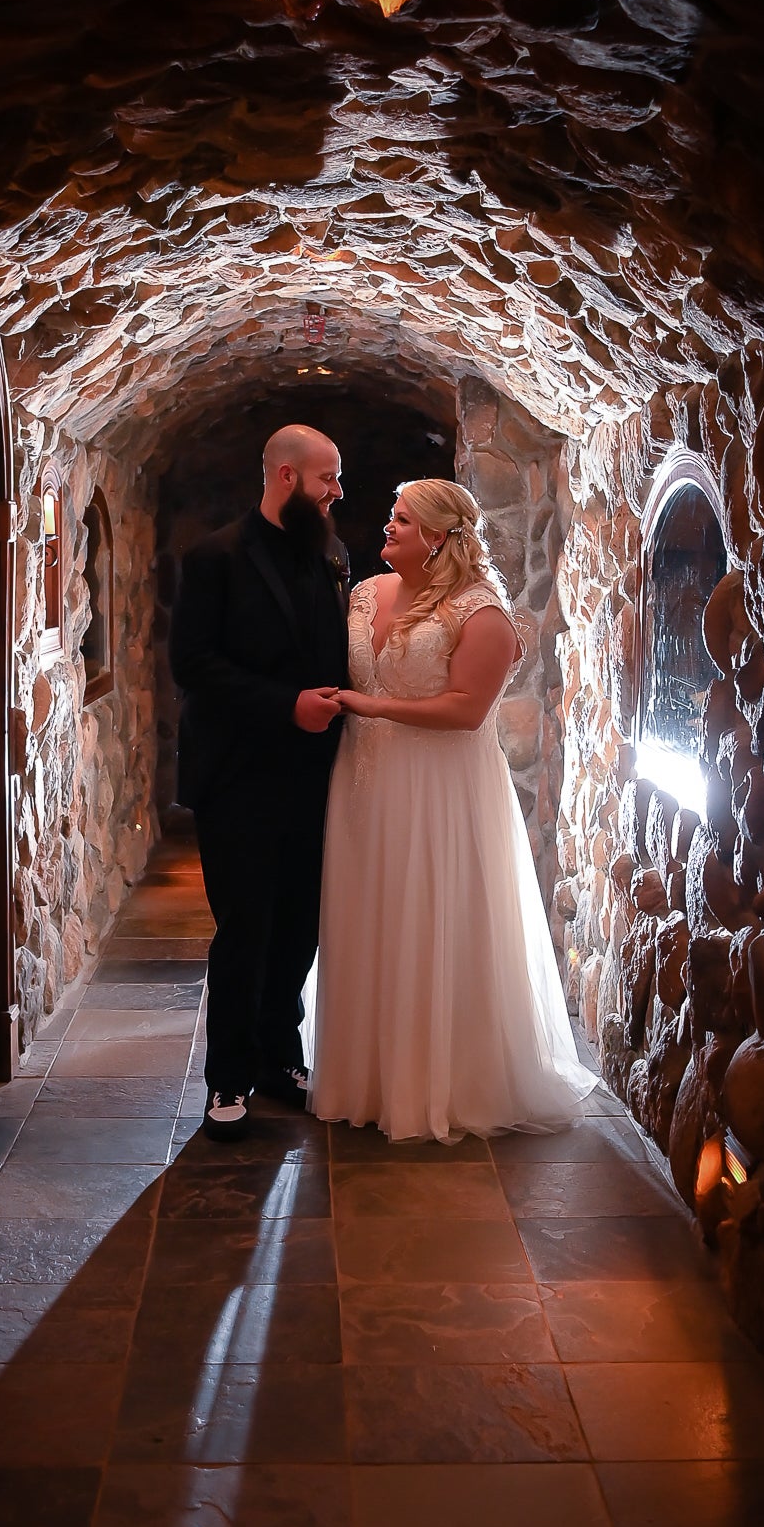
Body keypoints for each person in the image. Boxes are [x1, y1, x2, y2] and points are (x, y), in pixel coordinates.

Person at [306, 476, 595, 1142]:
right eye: (392, 515)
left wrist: (372, 705)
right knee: (368, 911)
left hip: (439, 793)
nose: (388, 528)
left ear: (437, 538)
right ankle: (367, 1078)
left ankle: (442, 1084)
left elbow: (467, 712)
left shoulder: (480, 612)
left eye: (401, 520)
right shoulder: (363, 596)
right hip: (363, 786)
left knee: (429, 911)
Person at [169, 425, 349, 1141]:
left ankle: (281, 1058)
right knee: (245, 927)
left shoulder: (330, 556)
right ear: (284, 476)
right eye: (326, 477)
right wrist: (287, 705)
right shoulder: (213, 557)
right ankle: (226, 1079)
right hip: (239, 775)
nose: (337, 491)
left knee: (300, 925)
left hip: (314, 775)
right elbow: (194, 666)